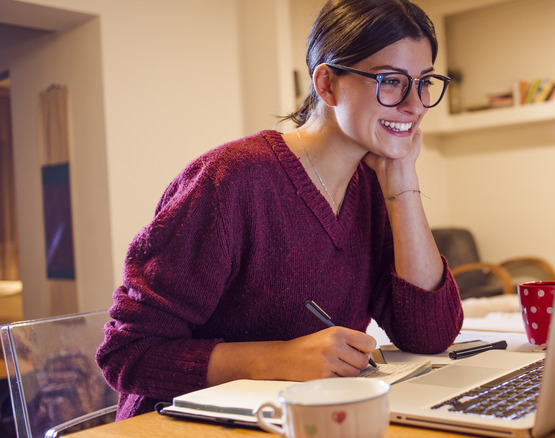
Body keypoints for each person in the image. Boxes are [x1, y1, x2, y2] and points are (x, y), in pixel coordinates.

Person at [96, 0, 463, 421]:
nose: (415, 105)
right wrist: (274, 359)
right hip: (181, 426)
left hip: (298, 423)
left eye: (425, 83)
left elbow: (430, 335)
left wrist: (402, 181)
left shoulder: (373, 187)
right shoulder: (230, 179)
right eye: (392, 81)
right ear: (326, 85)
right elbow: (127, 354)